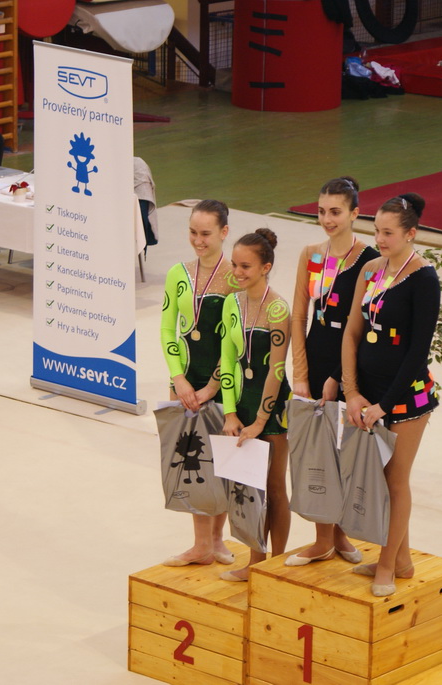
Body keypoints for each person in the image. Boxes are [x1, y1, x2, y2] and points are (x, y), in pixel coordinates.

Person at [341, 193, 439, 597]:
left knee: (395, 481)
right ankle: (402, 559)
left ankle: (386, 566)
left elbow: (418, 352)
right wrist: (351, 391)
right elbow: (352, 332)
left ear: (410, 233)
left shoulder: (424, 278)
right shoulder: (370, 270)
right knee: (379, 479)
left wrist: (385, 404)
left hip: (406, 397)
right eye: (376, 231)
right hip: (368, 393)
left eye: (388, 233)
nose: (379, 239)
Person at [285, 177, 379, 567]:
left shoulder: (371, 260)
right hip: (316, 362)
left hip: (350, 366)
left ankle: (339, 534)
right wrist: (301, 373)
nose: (327, 219)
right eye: (322, 211)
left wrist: (340, 378)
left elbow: (364, 325)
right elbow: (299, 317)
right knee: (318, 454)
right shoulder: (311, 255)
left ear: (355, 213)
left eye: (336, 212)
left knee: (347, 453)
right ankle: (323, 539)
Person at [159, 199, 239, 567]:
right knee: (191, 461)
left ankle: (217, 540)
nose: (198, 240)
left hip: (223, 384)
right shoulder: (178, 273)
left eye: (206, 233)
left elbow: (234, 343)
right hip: (185, 380)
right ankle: (200, 544)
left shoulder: (236, 278)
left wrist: (211, 388)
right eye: (192, 232)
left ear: (224, 232)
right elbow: (168, 329)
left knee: (220, 463)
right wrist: (178, 379)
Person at [218, 228, 292, 581]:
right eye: (234, 264)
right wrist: (230, 411)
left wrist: (261, 420)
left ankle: (276, 565)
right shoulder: (232, 303)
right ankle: (255, 561)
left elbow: (276, 370)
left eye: (245, 266)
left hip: (273, 406)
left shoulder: (278, 309)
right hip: (243, 399)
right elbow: (227, 359)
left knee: (274, 487)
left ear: (266, 267)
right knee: (249, 486)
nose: (237, 272)